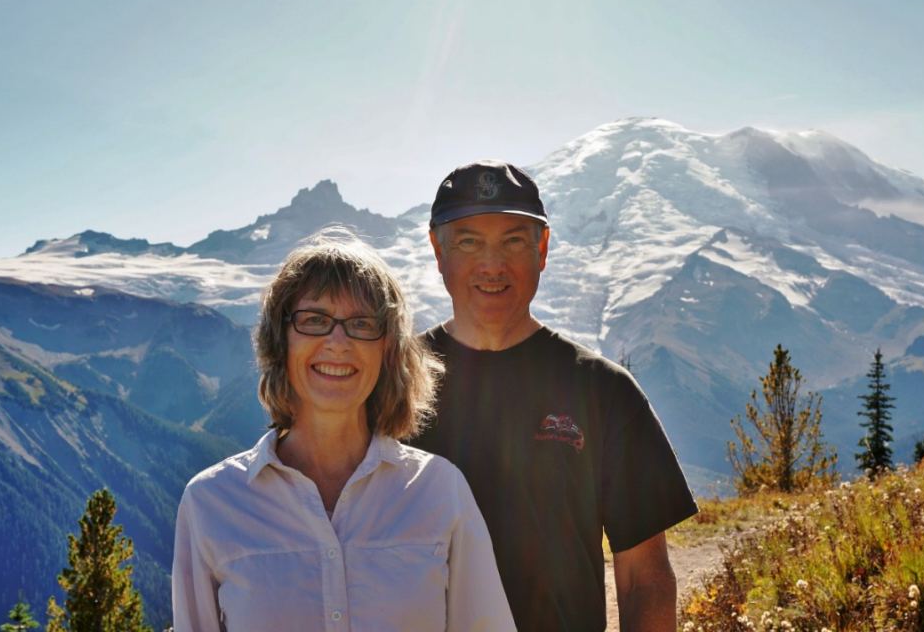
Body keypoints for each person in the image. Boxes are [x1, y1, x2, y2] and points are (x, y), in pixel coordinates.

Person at [172, 228, 515, 631]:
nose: (338, 342)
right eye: (314, 320)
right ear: (280, 342)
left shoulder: (440, 491)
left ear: (387, 351)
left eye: (362, 323)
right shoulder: (210, 502)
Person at [409, 160, 699, 631]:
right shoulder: (395, 384)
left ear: (542, 248)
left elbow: (644, 580)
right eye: (468, 242)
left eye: (513, 241)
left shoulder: (603, 391)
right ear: (438, 251)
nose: (492, 265)